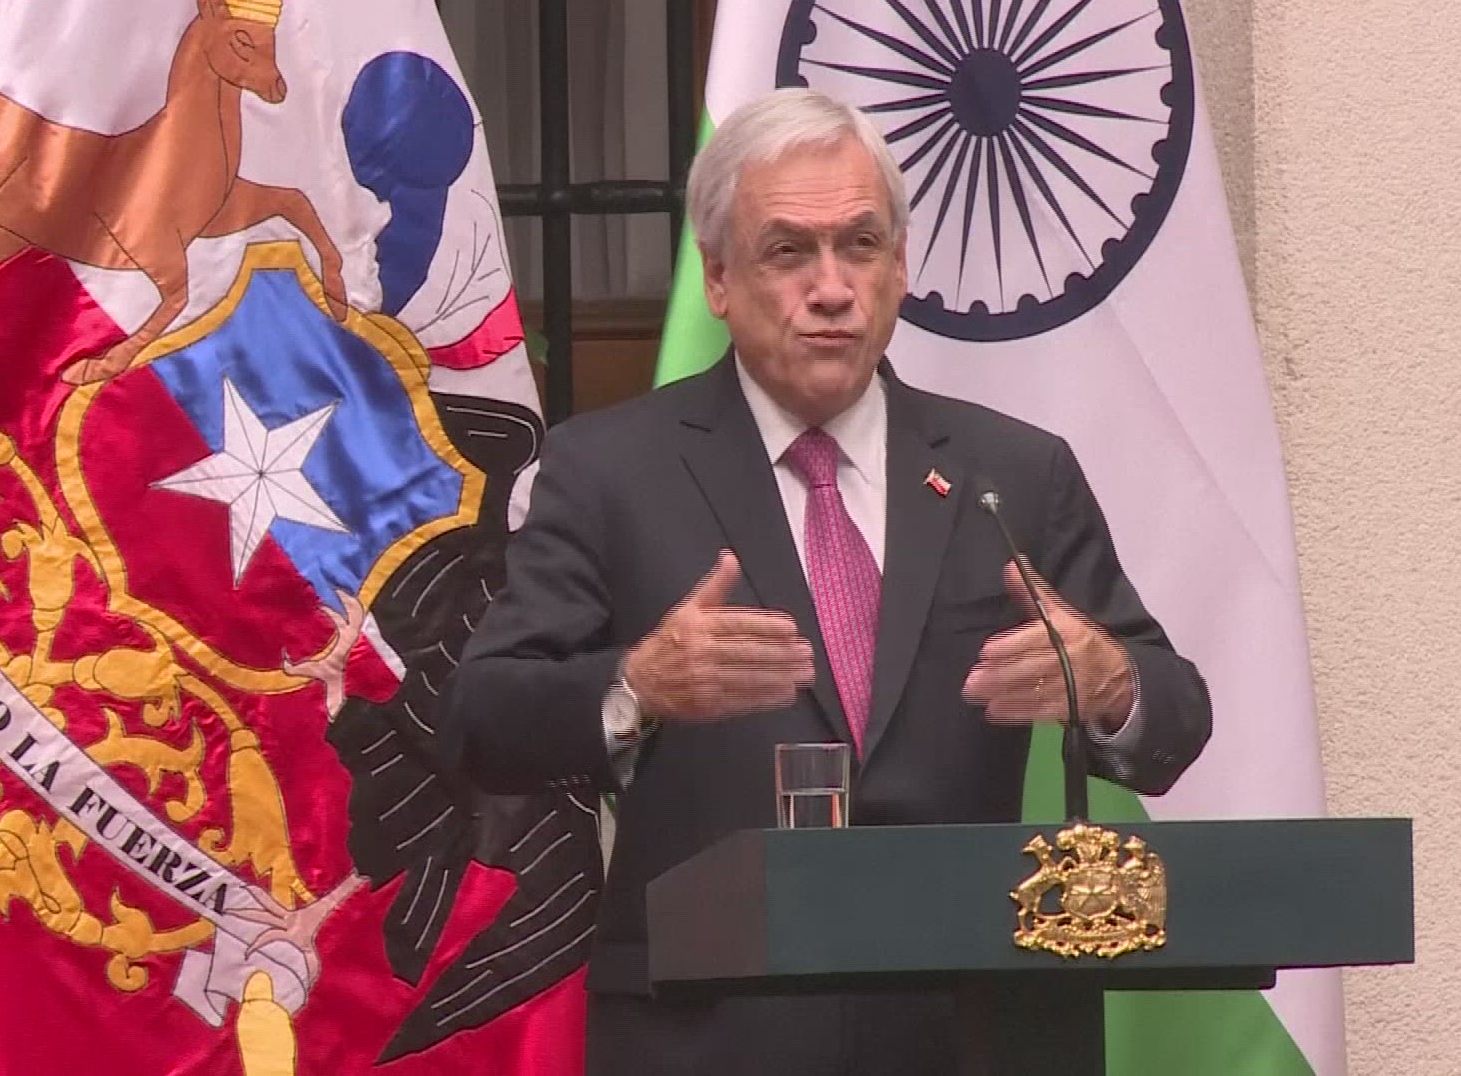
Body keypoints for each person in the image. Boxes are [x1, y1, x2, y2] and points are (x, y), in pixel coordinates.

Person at [443, 88, 1213, 1076]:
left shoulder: (1012, 475)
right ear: (719, 279)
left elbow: (1175, 720)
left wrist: (1110, 684)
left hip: (968, 1036)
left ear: (900, 267)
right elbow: (483, 722)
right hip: (708, 1038)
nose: (833, 288)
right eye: (788, 252)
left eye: (860, 246)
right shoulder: (610, 472)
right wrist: (636, 686)